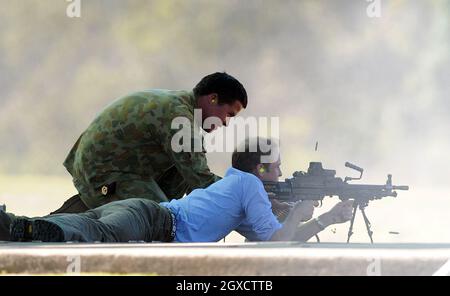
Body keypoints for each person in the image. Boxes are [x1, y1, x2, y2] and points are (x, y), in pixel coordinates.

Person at [0, 72, 247, 241]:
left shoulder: (180, 109)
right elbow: (201, 181)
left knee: (65, 225)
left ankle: (16, 226)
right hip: (108, 172)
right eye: (229, 114)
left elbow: (192, 181)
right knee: (155, 220)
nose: (226, 124)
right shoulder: (180, 119)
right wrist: (251, 193)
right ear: (213, 98)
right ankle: (21, 227)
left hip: (115, 170)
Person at [10, 138, 352, 243]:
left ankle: (13, 226)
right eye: (275, 166)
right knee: (90, 232)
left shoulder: (236, 183)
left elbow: (269, 241)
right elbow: (279, 244)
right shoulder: (248, 184)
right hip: (152, 221)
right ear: (259, 168)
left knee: (81, 224)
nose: (280, 171)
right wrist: (303, 213)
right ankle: (16, 228)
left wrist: (322, 219)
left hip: (145, 213)